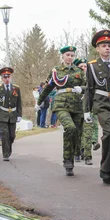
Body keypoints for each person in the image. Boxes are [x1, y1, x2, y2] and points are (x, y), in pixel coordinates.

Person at [37, 46, 86, 176]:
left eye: (72, 55)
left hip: (76, 105)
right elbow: (48, 88)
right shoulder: (56, 71)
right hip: (61, 104)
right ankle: (67, 161)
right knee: (70, 128)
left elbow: (87, 86)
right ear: (63, 56)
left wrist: (81, 88)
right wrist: (39, 102)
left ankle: (74, 156)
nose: (70, 57)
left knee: (77, 132)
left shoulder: (79, 71)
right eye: (67, 55)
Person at [85, 30, 110, 185]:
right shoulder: (92, 66)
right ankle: (105, 170)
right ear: (97, 49)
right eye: (104, 46)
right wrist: (87, 109)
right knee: (109, 132)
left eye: (109, 45)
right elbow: (89, 88)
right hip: (101, 103)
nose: (107, 48)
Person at [0, 67, 22, 161]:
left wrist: (19, 115)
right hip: (2, 114)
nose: (7, 79)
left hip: (12, 114)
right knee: (5, 134)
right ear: (2, 78)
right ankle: (6, 154)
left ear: (10, 77)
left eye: (8, 77)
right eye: (5, 77)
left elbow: (19, 103)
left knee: (12, 136)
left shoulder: (16, 88)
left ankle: (8, 149)